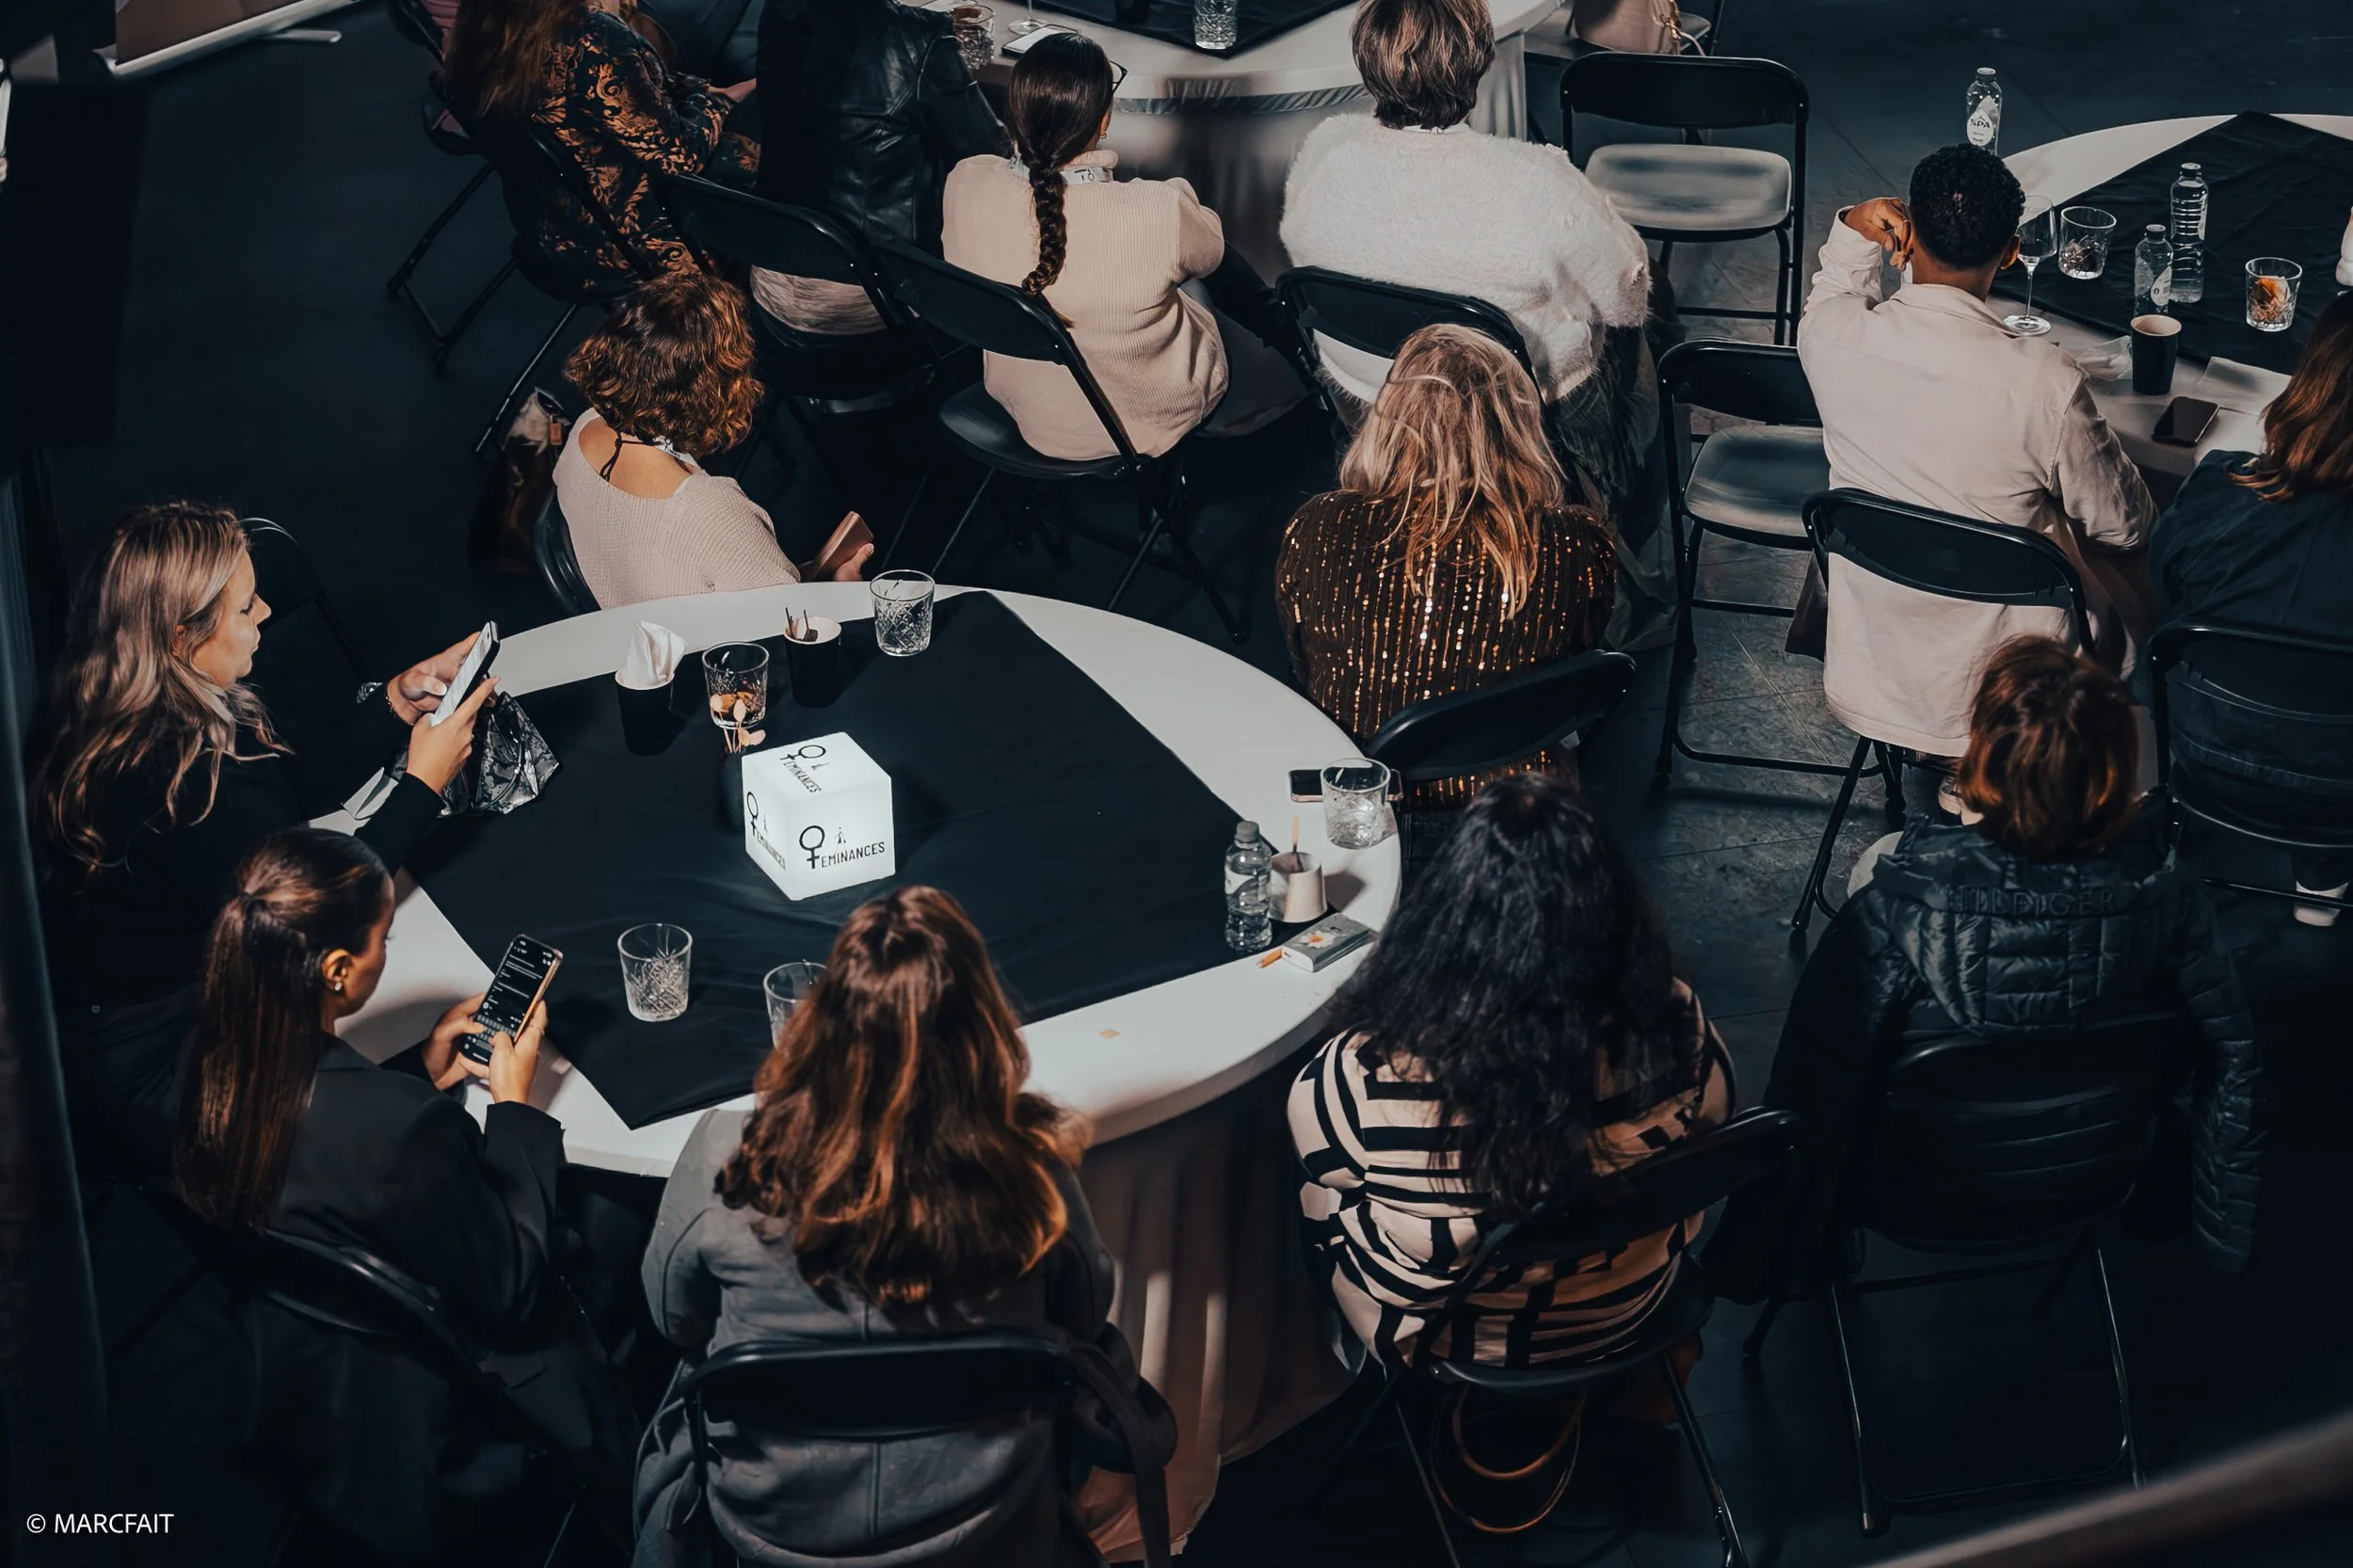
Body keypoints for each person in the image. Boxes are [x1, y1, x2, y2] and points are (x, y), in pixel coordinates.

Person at [1705, 639, 2264, 1304]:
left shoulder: (1893, 910)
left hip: (1910, 1188)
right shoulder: (2176, 904)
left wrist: (1773, 1243)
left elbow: (1813, 1091)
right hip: (2091, 1180)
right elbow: (2235, 1062)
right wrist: (2214, 1223)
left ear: (1983, 758)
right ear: (2115, 766)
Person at [632, 886, 1126, 1565]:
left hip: (774, 1531)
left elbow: (672, 1320)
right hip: (987, 1529)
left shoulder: (727, 1156)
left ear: (825, 1020)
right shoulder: (1029, 1166)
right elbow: (1088, 1312)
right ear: (983, 1026)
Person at [172, 828, 632, 1557]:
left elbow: (327, 1151)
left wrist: (420, 1073)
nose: (387, 952)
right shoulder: (400, 1131)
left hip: (309, 1374)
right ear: (336, 969)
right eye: (383, 937)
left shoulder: (217, 1067)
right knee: (613, 1222)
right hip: (463, 1405)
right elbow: (509, 1280)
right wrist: (516, 1108)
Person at [33, 502, 491, 1176]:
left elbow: (284, 785)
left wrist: (396, 703)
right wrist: (423, 784)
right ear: (184, 636)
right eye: (246, 608)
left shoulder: (144, 691)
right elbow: (319, 902)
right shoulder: (175, 785)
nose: (267, 614)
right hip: (166, 1056)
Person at [1289, 775, 1733, 1376]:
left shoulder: (1372, 1070)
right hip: (1632, 1304)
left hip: (1459, 1336)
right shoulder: (1676, 1019)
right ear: (1614, 907)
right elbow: (1715, 1124)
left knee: (1315, 1197)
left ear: (1445, 920)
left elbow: (1321, 1161)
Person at [1278, 0, 1669, 641]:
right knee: (1645, 324)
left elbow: (1303, 257)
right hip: (1524, 412)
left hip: (1374, 398)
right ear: (1477, 61)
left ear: (1368, 61)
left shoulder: (1326, 155)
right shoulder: (1537, 180)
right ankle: (1627, 539)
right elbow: (1626, 303)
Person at [1799, 144, 2156, 762]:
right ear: (2012, 252)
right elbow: (2124, 527)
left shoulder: (1830, 336)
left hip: (1877, 670)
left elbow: (1833, 287)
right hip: (2019, 695)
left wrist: (1855, 229)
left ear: (1906, 240)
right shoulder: (2043, 383)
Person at [1275, 326, 1618, 807]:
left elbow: (1304, 663)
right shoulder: (1573, 540)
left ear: (1386, 416)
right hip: (1515, 803)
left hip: (1358, 791)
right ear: (1519, 423)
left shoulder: (1319, 524)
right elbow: (1576, 654)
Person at [941, 31, 1303, 463]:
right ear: (1103, 120)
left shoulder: (966, 180)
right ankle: (1294, 352)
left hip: (1021, 404)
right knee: (1195, 277)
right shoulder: (1158, 210)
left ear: (1014, 111)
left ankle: (1286, 351)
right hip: (1140, 426)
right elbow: (1212, 254)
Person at [2149, 291, 2353, 924]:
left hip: (2201, 757)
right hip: (2339, 798)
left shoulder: (2217, 486)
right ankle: (2321, 881)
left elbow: (2165, 593)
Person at [552, 271, 874, 606]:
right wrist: (840, 596)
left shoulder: (585, 429)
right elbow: (791, 630)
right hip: (699, 655)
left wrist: (795, 579)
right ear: (717, 393)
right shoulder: (716, 514)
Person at [442, 0, 759, 293]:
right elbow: (682, 157)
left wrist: (706, 92)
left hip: (551, 229)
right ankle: (762, 304)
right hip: (629, 249)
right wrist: (722, 100)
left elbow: (634, 93)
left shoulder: (486, 15)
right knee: (769, 137)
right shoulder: (591, 36)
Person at [748, 0, 1004, 339]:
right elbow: (987, 155)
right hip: (870, 295)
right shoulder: (921, 38)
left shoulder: (779, 11)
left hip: (771, 275)